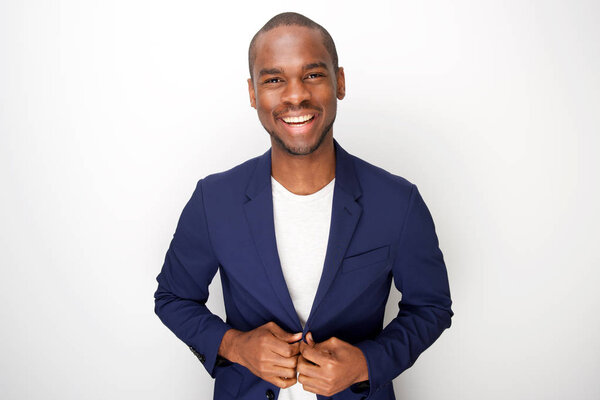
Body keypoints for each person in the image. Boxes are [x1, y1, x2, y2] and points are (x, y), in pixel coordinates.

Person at [154, 11, 453, 400]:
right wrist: (235, 345)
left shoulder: (398, 202)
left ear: (339, 82)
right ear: (253, 93)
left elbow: (431, 306)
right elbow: (173, 298)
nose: (295, 95)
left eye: (312, 74)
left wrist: (366, 363)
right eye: (275, 79)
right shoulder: (214, 200)